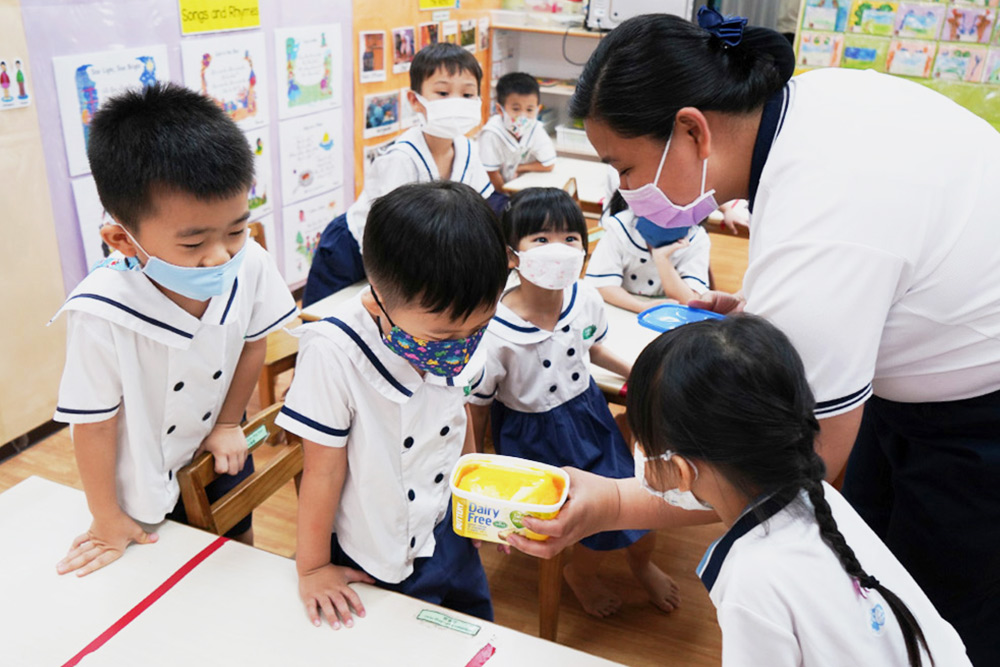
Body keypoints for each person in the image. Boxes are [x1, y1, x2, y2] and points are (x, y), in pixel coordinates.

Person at [509, 8, 1000, 664]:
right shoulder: (810, 112)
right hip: (921, 388)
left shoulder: (821, 208)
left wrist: (610, 500)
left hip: (971, 430)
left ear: (691, 129)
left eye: (623, 169)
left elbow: (790, 462)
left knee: (939, 608)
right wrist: (769, 309)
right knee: (882, 586)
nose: (624, 195)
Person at [51, 83, 297, 576]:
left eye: (234, 229)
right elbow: (93, 424)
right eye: (194, 243)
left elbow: (253, 342)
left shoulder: (248, 264)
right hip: (139, 482)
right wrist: (106, 518)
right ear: (122, 239)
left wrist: (229, 422)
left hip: (219, 451)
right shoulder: (101, 311)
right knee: (161, 583)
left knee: (236, 562)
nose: (221, 254)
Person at [627, 315, 971, 666]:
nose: (638, 449)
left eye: (642, 440)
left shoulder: (752, 581)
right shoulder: (820, 496)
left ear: (682, 471)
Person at [277, 182, 508, 629]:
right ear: (379, 298)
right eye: (442, 338)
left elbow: (456, 414)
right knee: (397, 640)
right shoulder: (333, 351)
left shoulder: (456, 320)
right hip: (376, 545)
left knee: (467, 625)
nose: (460, 348)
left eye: (480, 326)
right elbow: (320, 471)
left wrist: (472, 494)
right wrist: (312, 568)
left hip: (446, 525)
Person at [468, 188, 679, 618]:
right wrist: (476, 473)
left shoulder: (586, 300)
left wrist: (636, 371)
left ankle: (642, 564)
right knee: (574, 517)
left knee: (638, 498)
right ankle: (581, 573)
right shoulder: (495, 330)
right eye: (541, 240)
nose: (559, 250)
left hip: (589, 415)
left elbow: (593, 350)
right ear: (513, 255)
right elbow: (477, 407)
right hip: (532, 435)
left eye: (570, 238)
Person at [302, 43, 495, 307]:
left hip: (415, 254)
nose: (456, 103)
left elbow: (475, 215)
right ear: (415, 100)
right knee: (332, 323)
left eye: (467, 94)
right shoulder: (401, 158)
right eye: (442, 92)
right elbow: (387, 235)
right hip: (354, 250)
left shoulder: (469, 151)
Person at [585, 190, 711, 313]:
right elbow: (602, 285)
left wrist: (662, 259)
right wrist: (642, 307)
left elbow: (690, 300)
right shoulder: (620, 227)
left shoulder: (697, 238)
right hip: (623, 308)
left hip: (666, 316)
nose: (667, 219)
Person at [478, 72, 557, 192]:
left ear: (538, 109)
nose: (523, 116)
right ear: (500, 109)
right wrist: (508, 197)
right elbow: (491, 174)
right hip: (494, 190)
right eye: (516, 109)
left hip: (520, 187)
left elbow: (548, 164)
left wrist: (519, 168)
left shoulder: (535, 128)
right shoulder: (491, 133)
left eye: (529, 109)